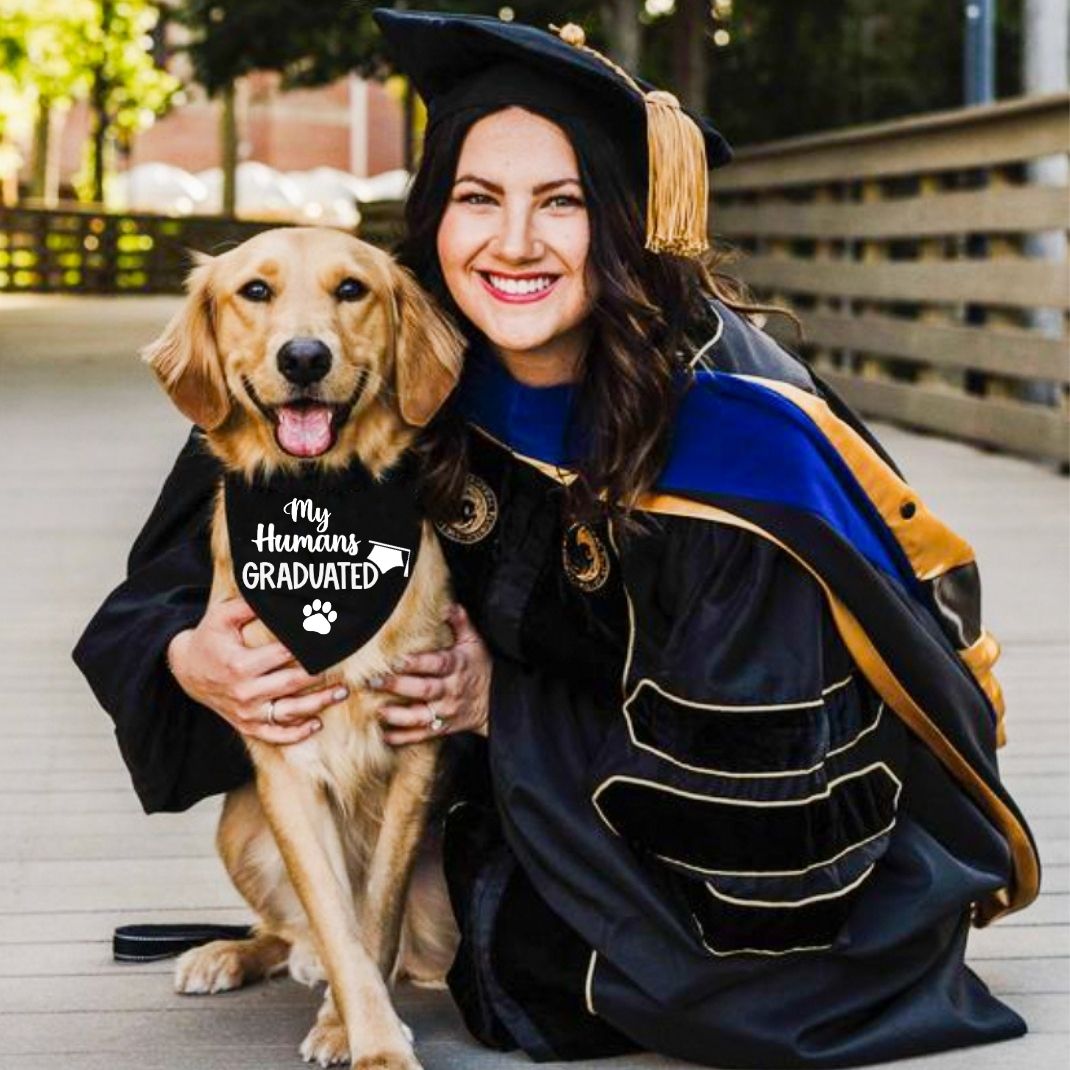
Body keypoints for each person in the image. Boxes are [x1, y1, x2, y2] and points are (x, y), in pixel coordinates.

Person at [73, 10, 1040, 1068]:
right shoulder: (384, 346)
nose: (513, 244)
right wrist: (190, 655)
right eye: (476, 199)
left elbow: (762, 793)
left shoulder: (735, 428)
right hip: (496, 794)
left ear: (624, 219)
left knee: (583, 971)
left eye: (563, 202)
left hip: (732, 868)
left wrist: (502, 701)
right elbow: (160, 587)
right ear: (435, 215)